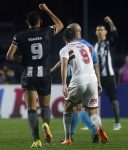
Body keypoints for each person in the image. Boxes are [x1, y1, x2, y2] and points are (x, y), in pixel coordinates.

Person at [6, 3, 63, 148]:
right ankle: (45, 124)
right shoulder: (46, 32)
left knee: (31, 109)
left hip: (29, 75)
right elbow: (60, 24)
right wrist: (46, 9)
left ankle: (36, 140)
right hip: (44, 74)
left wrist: (23, 59)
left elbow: (9, 56)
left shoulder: (19, 36)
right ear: (40, 22)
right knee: (45, 106)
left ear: (27, 23)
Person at [51, 23, 102, 142]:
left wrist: (63, 83)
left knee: (71, 108)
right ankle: (98, 128)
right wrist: (99, 83)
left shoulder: (66, 48)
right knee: (91, 111)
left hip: (77, 79)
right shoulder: (87, 46)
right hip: (92, 80)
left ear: (65, 38)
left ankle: (69, 137)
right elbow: (95, 65)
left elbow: (63, 63)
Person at [95, 16, 121, 130]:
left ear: (105, 32)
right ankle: (94, 122)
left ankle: (117, 123)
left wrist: (110, 22)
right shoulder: (95, 46)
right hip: (97, 78)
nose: (100, 32)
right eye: (98, 30)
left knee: (114, 101)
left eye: (101, 30)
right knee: (92, 100)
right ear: (96, 33)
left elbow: (115, 35)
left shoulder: (109, 44)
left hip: (109, 77)